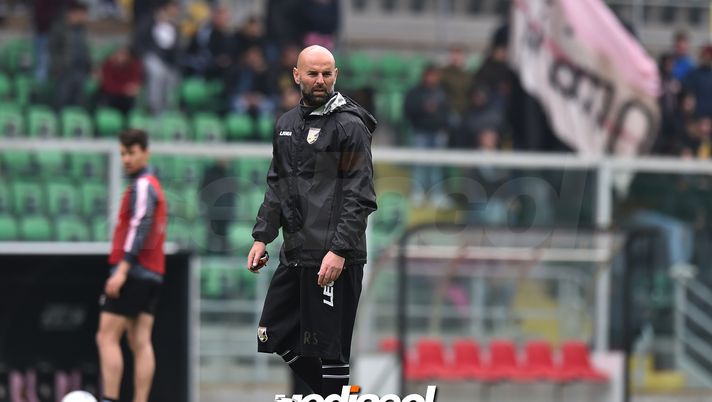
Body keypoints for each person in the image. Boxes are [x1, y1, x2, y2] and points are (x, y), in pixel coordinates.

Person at [246, 45, 377, 398]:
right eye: (313, 73)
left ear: (336, 75)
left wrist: (338, 250)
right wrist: (263, 237)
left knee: (329, 351)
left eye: (327, 73)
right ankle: (339, 396)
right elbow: (278, 185)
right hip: (296, 251)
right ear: (296, 76)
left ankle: (331, 395)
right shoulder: (286, 125)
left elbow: (360, 195)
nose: (320, 81)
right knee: (270, 332)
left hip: (334, 257)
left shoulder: (350, 125)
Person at [96, 129, 168, 402]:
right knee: (140, 341)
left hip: (134, 271)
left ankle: (109, 398)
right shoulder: (153, 185)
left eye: (131, 153)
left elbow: (139, 225)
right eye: (123, 153)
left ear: (145, 153)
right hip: (153, 272)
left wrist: (122, 270)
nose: (126, 159)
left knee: (106, 337)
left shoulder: (142, 185)